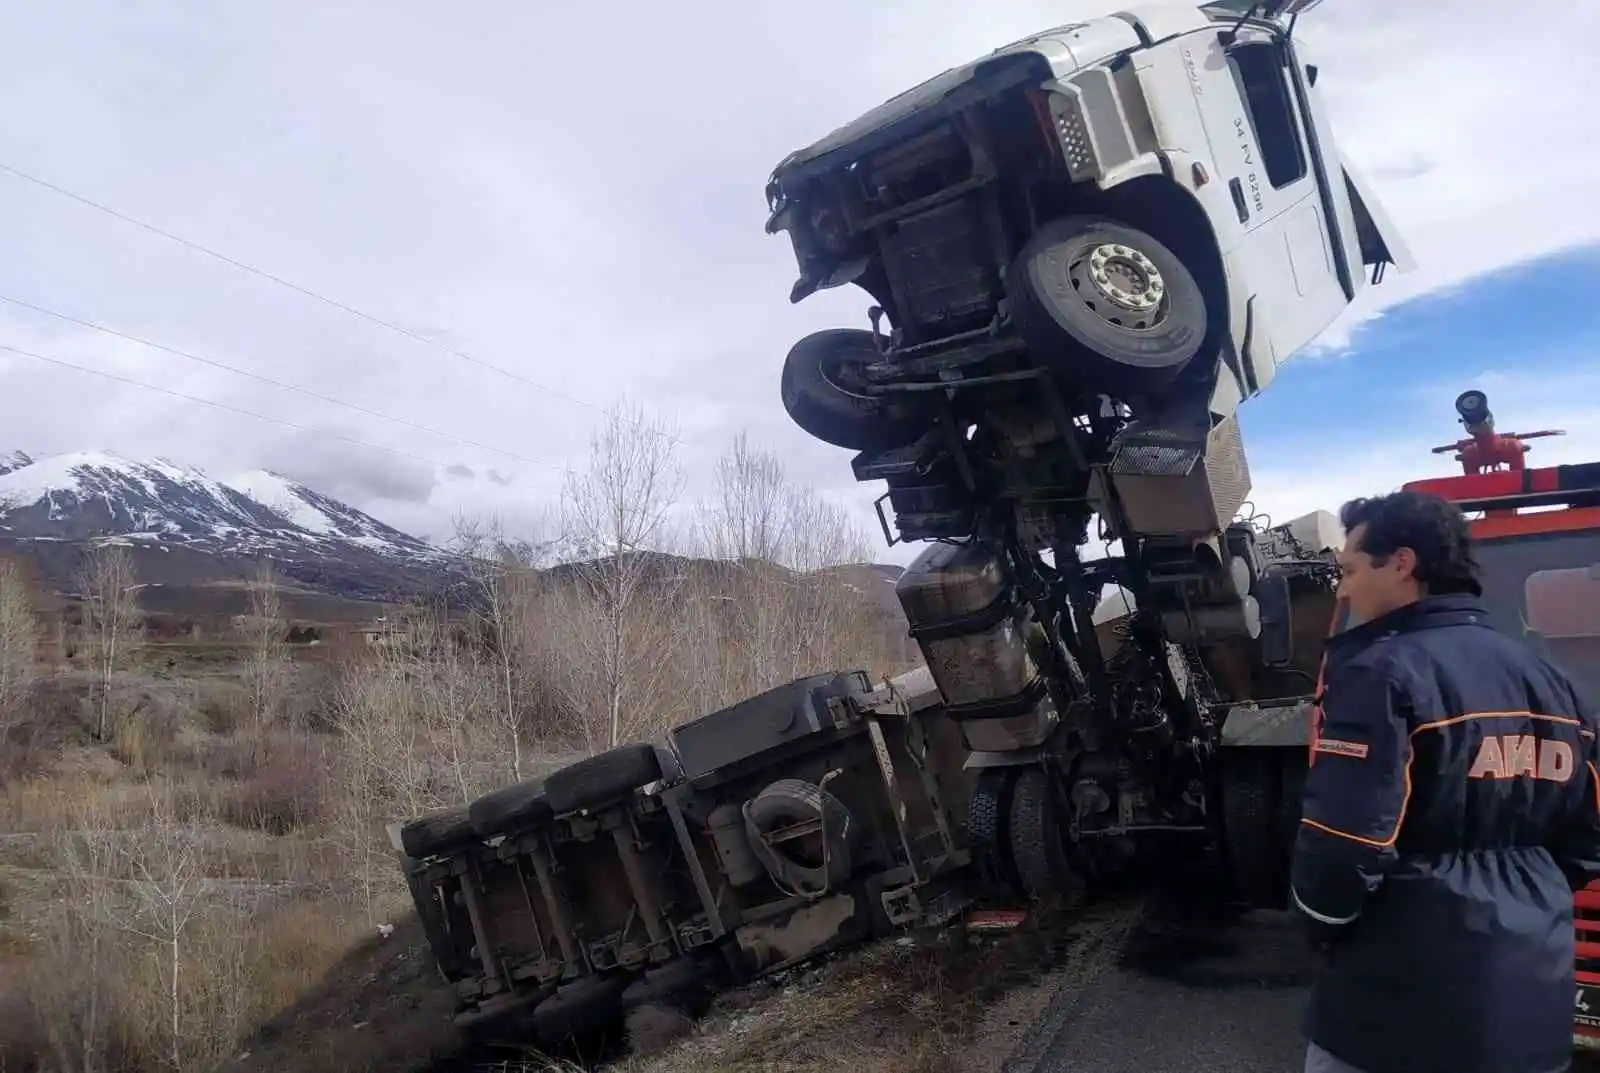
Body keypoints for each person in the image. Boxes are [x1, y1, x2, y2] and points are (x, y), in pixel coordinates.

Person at [1290, 489, 1600, 1073]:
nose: (1343, 590)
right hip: (1532, 1005)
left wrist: (1323, 928)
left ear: (1402, 564)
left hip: (1399, 1005)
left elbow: (1343, 848)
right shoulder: (1554, 683)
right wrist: (1523, 901)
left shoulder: (1381, 674)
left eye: (1350, 570)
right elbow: (1587, 839)